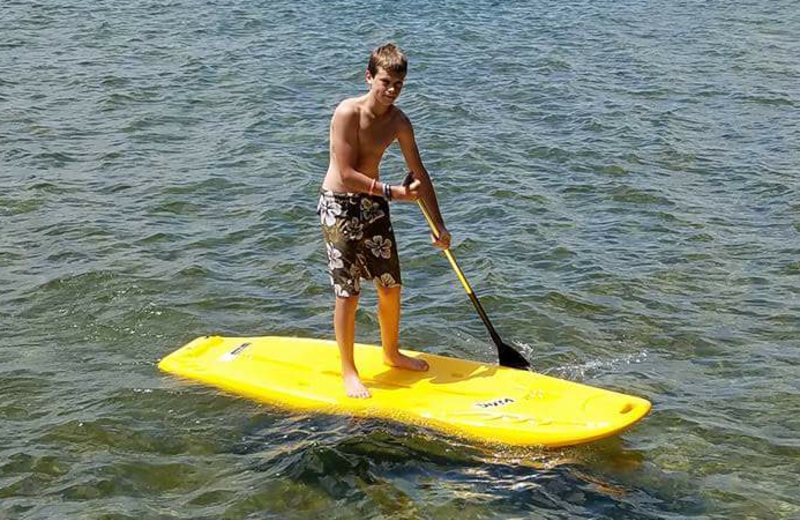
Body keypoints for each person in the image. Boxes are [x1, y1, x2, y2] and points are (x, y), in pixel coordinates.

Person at [317, 43, 451, 398]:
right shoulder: (347, 113)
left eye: (398, 84)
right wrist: (392, 192)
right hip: (339, 205)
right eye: (385, 82)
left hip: (374, 204)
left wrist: (439, 225)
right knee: (348, 293)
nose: (391, 90)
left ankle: (391, 354)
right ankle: (349, 371)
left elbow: (420, 174)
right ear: (369, 77)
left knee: (390, 286)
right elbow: (345, 174)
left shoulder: (399, 122)